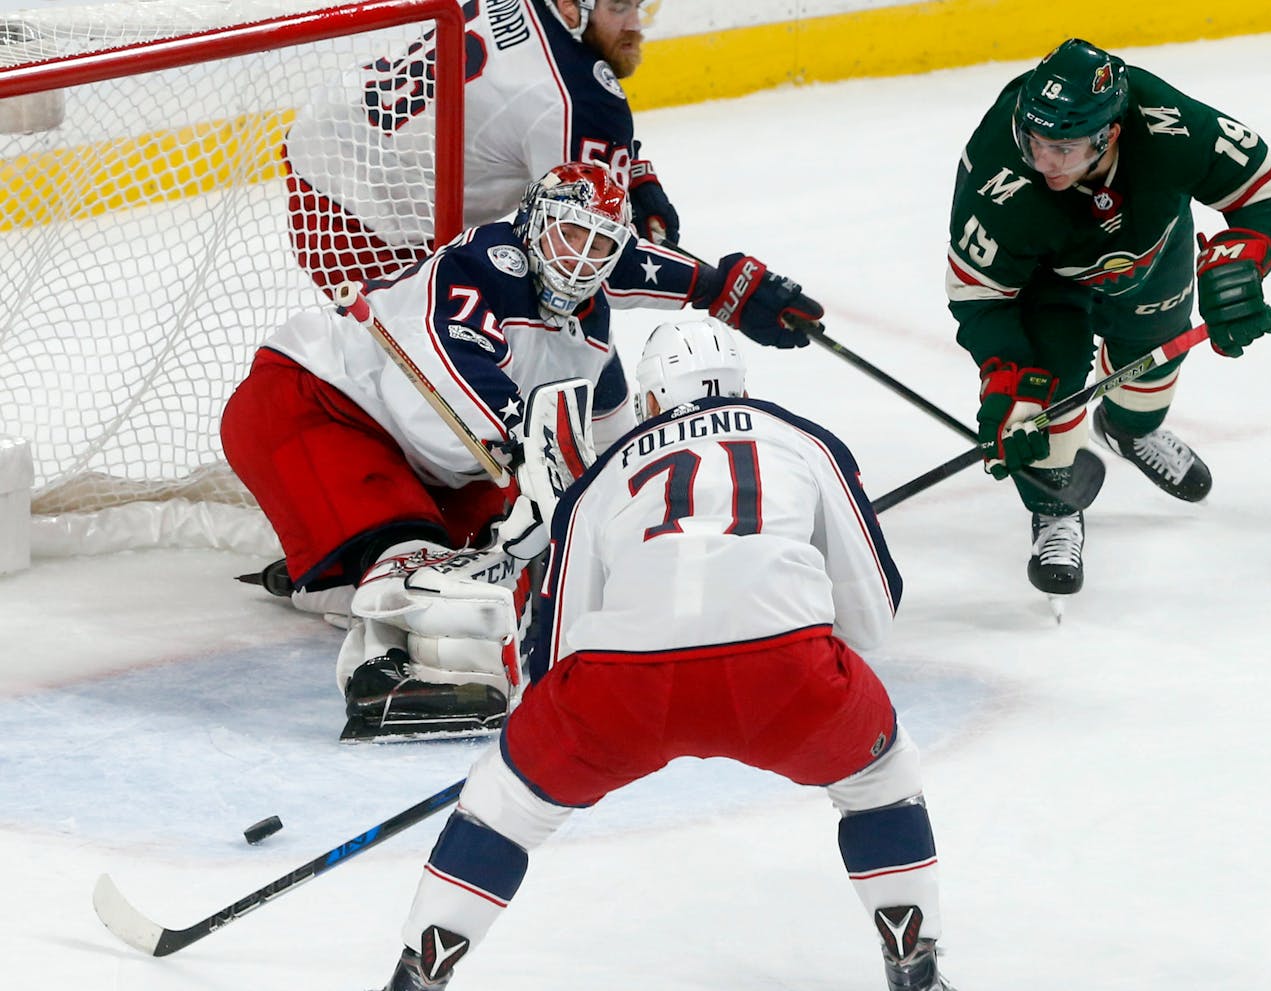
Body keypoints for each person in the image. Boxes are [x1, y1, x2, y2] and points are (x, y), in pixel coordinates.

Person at [370, 317, 955, 991]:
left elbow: (555, 658)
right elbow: (874, 616)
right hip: (788, 677)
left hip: (623, 687)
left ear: (648, 399)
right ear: (739, 384)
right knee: (880, 781)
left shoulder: (600, 480)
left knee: (503, 805)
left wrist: (533, 764)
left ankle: (418, 975)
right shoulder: (802, 439)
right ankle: (915, 969)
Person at [221, 161, 824, 741]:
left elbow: (610, 471)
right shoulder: (480, 263)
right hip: (314, 404)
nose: (579, 260)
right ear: (534, 223)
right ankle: (376, 673)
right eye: (569, 237)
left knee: (512, 549)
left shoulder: (591, 345)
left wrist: (722, 289)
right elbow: (451, 365)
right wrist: (526, 443)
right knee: (415, 550)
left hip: (435, 463)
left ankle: (338, 579)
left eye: (599, 248)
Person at [943, 38, 1271, 596]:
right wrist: (1005, 372)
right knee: (1042, 400)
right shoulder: (1000, 174)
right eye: (1034, 142)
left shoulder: (1171, 128)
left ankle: (1129, 430)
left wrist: (1244, 259)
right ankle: (1054, 509)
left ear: (1109, 134)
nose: (1043, 162)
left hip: (1154, 257)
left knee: (1149, 372)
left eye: (1062, 150)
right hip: (1046, 287)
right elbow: (980, 295)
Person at [283, 0, 684, 294]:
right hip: (366, 220)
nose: (635, 24)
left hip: (331, 135)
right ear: (568, 8)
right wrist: (715, 289)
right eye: (618, 8)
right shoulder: (581, 98)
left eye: (637, 5)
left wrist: (633, 173)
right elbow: (588, 266)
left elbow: (531, 110)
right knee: (510, 335)